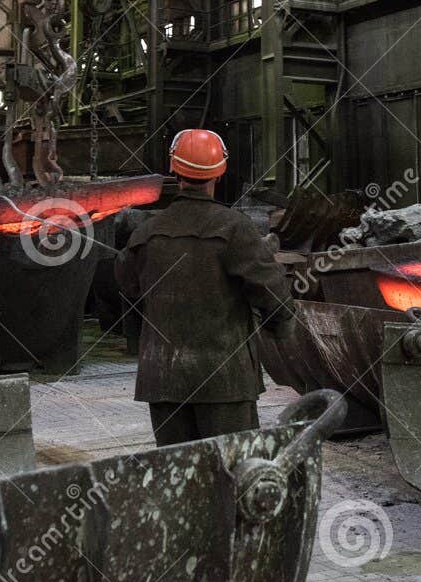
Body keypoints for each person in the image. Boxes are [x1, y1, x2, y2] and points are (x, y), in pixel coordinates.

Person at [114, 128, 293, 446]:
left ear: (174, 170)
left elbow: (127, 285)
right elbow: (274, 296)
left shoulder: (147, 232)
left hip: (163, 381)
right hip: (224, 382)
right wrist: (279, 328)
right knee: (234, 473)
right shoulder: (235, 227)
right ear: (219, 172)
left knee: (180, 475)